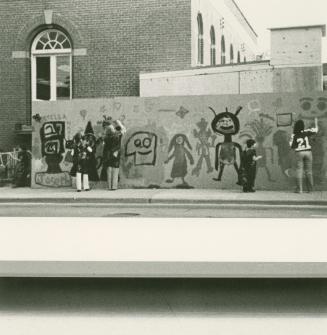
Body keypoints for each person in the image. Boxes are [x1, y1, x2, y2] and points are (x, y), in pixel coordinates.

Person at [290, 118, 318, 193]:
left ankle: (299, 190)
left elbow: (292, 146)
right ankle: (311, 190)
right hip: (308, 152)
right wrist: (316, 122)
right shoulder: (306, 132)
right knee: (309, 171)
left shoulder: (294, 135)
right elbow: (316, 130)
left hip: (299, 152)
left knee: (299, 171)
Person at [102, 119, 126, 190]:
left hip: (108, 155)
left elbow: (104, 145)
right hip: (115, 154)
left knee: (109, 171)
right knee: (115, 171)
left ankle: (109, 186)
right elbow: (124, 130)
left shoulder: (106, 137)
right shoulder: (117, 135)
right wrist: (119, 123)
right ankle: (114, 187)